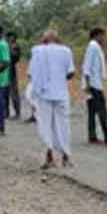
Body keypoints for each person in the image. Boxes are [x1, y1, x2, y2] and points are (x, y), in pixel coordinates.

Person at [29, 29, 77, 169]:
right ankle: (66, 157)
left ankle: (49, 156)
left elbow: (31, 74)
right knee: (63, 125)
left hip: (43, 94)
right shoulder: (66, 51)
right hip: (61, 93)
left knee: (45, 125)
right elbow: (71, 73)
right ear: (58, 39)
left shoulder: (37, 50)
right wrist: (59, 78)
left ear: (43, 40)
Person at [83, 27, 107, 147]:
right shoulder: (93, 46)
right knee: (102, 112)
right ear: (96, 36)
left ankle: (92, 137)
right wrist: (88, 84)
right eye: (102, 36)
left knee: (92, 112)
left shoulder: (95, 47)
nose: (103, 39)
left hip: (95, 83)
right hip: (93, 85)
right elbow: (87, 66)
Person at [7, 31, 24, 119]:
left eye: (13, 37)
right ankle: (6, 113)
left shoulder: (16, 47)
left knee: (14, 93)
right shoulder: (4, 46)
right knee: (4, 94)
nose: (11, 38)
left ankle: (17, 113)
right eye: (10, 37)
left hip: (11, 71)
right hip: (3, 72)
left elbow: (16, 58)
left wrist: (11, 49)